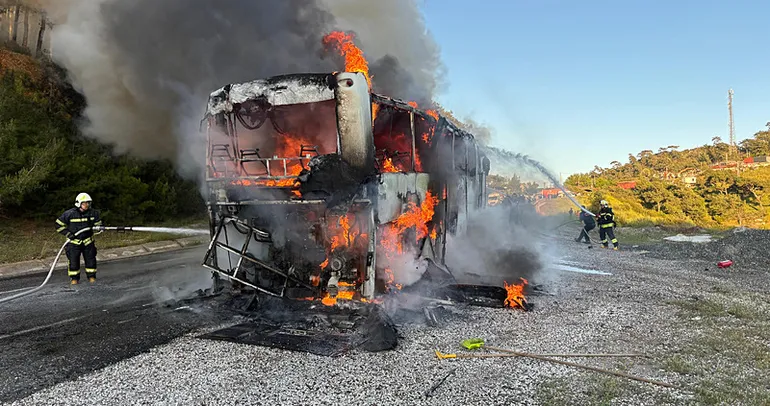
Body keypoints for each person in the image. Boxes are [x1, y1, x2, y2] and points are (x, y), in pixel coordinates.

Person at [55, 193, 103, 284]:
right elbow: (58, 225)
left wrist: (99, 227)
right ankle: (74, 279)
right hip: (74, 242)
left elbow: (98, 224)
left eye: (88, 203)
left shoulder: (93, 213)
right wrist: (68, 234)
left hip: (88, 242)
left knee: (91, 260)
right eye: (84, 203)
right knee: (73, 262)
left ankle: (91, 277)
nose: (87, 205)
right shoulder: (69, 214)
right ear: (79, 203)